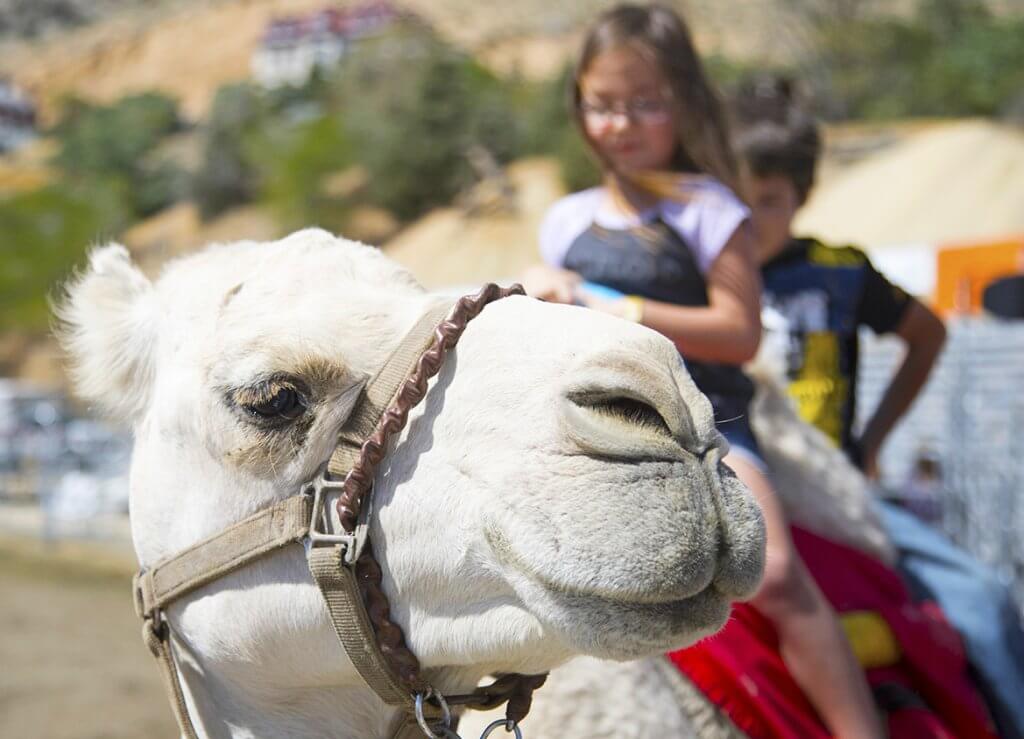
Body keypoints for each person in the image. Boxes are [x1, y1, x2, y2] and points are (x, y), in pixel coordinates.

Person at [523, 6, 884, 738]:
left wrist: (614, 305)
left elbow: (738, 332)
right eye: (601, 105)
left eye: (643, 104)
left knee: (776, 572)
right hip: (600, 420)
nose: (619, 125)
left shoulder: (712, 210)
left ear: (683, 103)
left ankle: (859, 728)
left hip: (705, 421)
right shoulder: (565, 219)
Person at [731, 74, 1024, 738]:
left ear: (801, 196)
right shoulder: (702, 285)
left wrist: (873, 440)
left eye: (769, 200)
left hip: (843, 498)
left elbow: (929, 332)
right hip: (749, 492)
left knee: (983, 602)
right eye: (734, 201)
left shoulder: (840, 270)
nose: (750, 221)